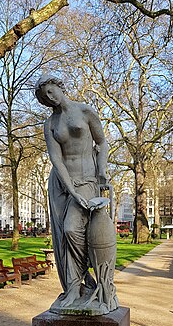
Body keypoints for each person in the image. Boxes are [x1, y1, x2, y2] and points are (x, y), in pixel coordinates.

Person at [35, 74, 114, 311]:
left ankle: (93, 283)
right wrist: (70, 189)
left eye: (51, 91)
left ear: (59, 87)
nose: (50, 98)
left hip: (88, 179)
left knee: (74, 229)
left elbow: (102, 143)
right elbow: (56, 160)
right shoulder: (50, 125)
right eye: (45, 97)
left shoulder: (85, 111)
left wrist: (101, 170)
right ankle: (75, 286)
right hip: (62, 184)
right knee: (65, 235)